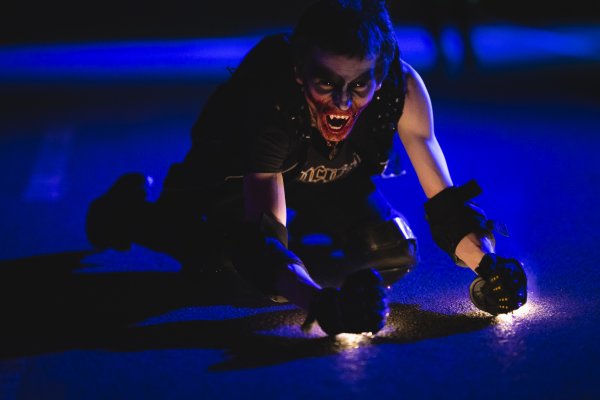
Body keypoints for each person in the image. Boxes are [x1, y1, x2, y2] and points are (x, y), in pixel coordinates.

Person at [86, 0, 527, 336]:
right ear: (299, 72)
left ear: (380, 71)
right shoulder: (270, 100)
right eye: (326, 83)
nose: (341, 103)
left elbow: (445, 204)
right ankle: (128, 212)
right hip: (229, 180)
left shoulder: (401, 88)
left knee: (391, 250)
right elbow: (263, 238)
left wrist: (490, 268)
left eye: (359, 85)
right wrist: (323, 305)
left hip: (331, 178)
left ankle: (312, 255)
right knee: (231, 270)